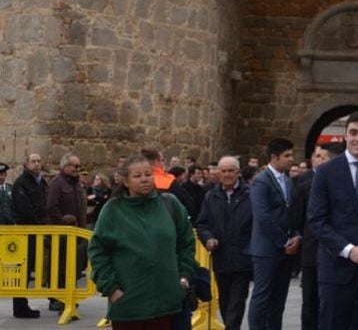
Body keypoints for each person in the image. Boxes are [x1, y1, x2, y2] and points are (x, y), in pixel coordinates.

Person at [88, 154, 197, 330]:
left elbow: (186, 244)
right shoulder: (113, 210)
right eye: (137, 176)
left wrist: (184, 277)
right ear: (125, 181)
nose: (145, 179)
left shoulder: (170, 204)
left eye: (148, 174)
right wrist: (112, 289)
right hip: (129, 305)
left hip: (167, 304)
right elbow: (98, 251)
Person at [308, 111, 358, 330]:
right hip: (336, 270)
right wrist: (348, 249)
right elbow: (316, 220)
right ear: (345, 136)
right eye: (353, 133)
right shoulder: (326, 172)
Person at [246, 138, 301, 330]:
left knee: (279, 299)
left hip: (285, 249)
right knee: (262, 297)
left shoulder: (288, 180)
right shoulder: (261, 182)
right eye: (287, 156)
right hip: (266, 250)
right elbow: (263, 216)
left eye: (291, 155)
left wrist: (296, 236)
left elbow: (292, 212)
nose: (291, 159)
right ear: (273, 157)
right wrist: (284, 241)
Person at [196, 155, 253, 330]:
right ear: (218, 173)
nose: (227, 175)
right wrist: (208, 238)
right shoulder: (211, 196)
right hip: (221, 258)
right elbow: (202, 224)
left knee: (237, 302)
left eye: (231, 171)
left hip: (242, 258)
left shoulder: (250, 194)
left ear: (238, 173)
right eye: (224, 171)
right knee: (225, 301)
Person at [290, 144, 333, 330]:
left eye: (324, 156)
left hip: (335, 251)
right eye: (317, 156)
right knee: (310, 300)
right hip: (311, 252)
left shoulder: (339, 182)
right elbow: (296, 219)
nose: (319, 159)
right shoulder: (304, 184)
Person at [46, 153, 86, 313]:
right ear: (65, 166)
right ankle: (56, 298)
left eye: (78, 166)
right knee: (59, 266)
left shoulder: (77, 185)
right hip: (60, 234)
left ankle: (69, 296)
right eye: (74, 166)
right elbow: (51, 207)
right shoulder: (57, 183)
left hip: (75, 233)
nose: (77, 169)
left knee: (72, 267)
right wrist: (63, 221)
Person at [11, 153, 46, 318]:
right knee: (23, 269)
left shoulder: (41, 182)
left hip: (40, 231)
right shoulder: (21, 183)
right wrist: (38, 224)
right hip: (27, 232)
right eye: (33, 161)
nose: (37, 164)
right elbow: (24, 208)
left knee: (42, 266)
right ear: (26, 164)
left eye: (39, 161)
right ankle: (20, 306)